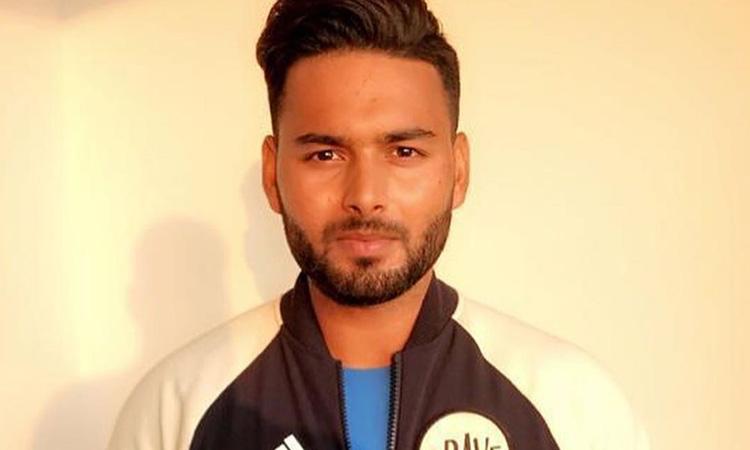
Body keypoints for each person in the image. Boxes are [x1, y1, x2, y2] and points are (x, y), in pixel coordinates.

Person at [108, 1, 649, 449]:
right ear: (273, 175)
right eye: (325, 154)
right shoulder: (177, 409)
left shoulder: (570, 404)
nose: (365, 197)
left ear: (459, 171)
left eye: (404, 151)